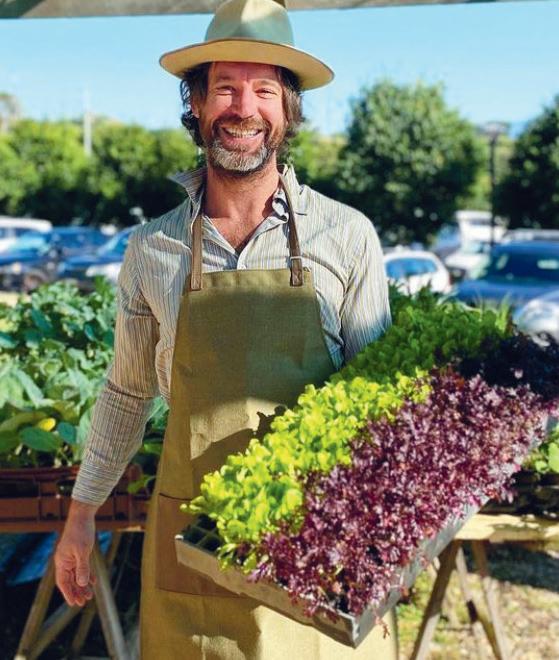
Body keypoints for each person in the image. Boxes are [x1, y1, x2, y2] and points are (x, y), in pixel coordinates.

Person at [54, 0, 394, 657]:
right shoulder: (152, 248)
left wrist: (385, 546)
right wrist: (80, 513)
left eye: (264, 89)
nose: (244, 107)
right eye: (225, 88)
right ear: (197, 104)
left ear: (287, 110)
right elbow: (126, 392)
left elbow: (376, 407)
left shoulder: (346, 235)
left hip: (315, 548)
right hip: (191, 543)